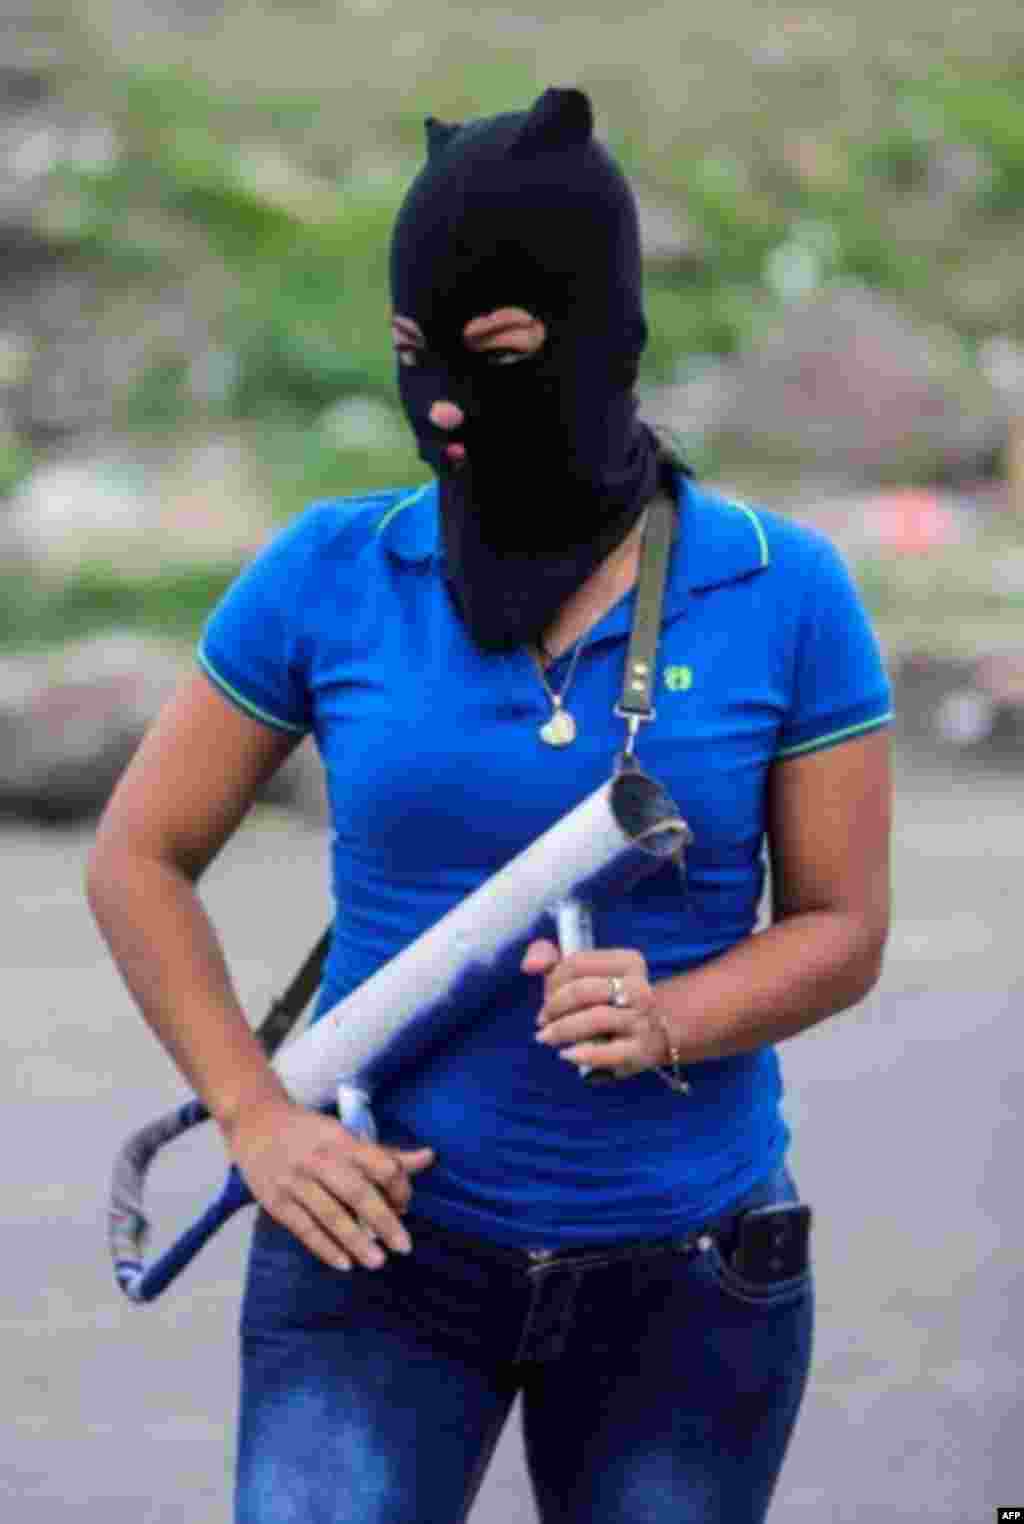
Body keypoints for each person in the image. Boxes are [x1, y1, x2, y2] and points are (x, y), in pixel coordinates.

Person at [86, 87, 893, 1524]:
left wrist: (673, 1016)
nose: (449, 406)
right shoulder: (331, 573)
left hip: (691, 1284)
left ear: (604, 338)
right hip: (373, 1261)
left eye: (503, 356)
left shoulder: (788, 591)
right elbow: (137, 857)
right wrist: (256, 1116)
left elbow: (842, 927)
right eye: (416, 358)